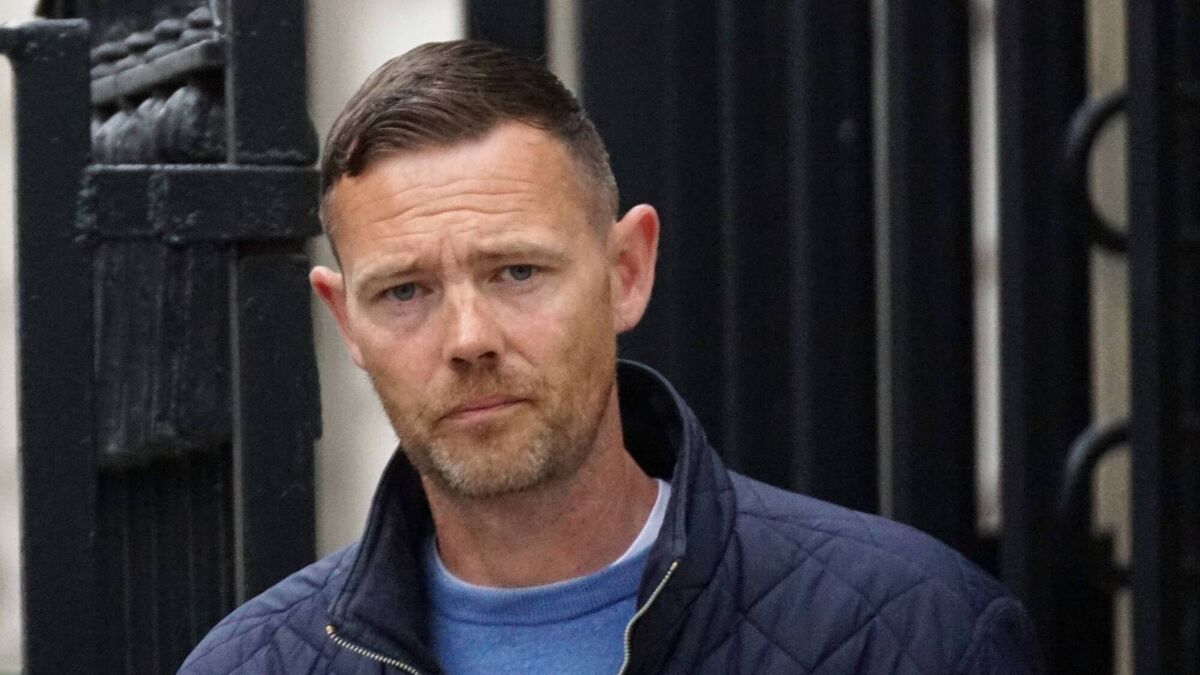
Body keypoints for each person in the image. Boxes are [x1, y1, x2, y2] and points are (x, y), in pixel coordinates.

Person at [180, 40, 1041, 674]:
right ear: (345, 320)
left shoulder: (913, 633)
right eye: (405, 291)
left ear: (627, 271)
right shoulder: (251, 665)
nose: (469, 338)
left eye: (517, 271)